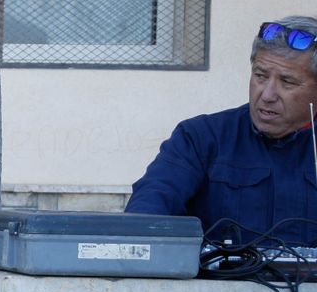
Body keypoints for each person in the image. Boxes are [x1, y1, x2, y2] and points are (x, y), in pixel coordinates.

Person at [127, 16, 317, 246]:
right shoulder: (201, 137)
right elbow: (149, 207)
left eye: (287, 82)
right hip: (220, 271)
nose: (267, 95)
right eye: (260, 76)